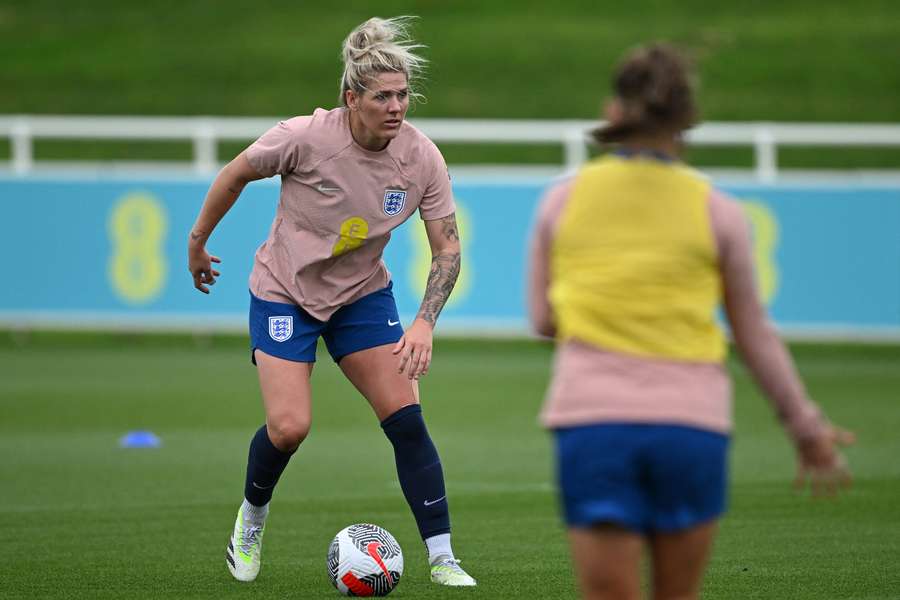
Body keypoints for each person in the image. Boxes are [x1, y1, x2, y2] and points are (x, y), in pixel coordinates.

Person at [527, 43, 854, 600]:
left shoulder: (563, 201)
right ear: (685, 120)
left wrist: (610, 318)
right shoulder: (718, 210)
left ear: (614, 111)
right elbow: (753, 333)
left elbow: (543, 318)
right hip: (690, 425)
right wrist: (806, 427)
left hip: (595, 421)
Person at [187, 16, 476, 587]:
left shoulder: (421, 158)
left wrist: (423, 323)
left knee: (407, 420)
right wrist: (198, 242)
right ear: (352, 99)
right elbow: (235, 174)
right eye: (383, 97)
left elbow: (446, 247)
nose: (396, 107)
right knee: (290, 428)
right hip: (284, 293)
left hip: (363, 296)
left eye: (403, 95)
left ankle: (443, 557)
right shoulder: (304, 136)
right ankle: (251, 518)